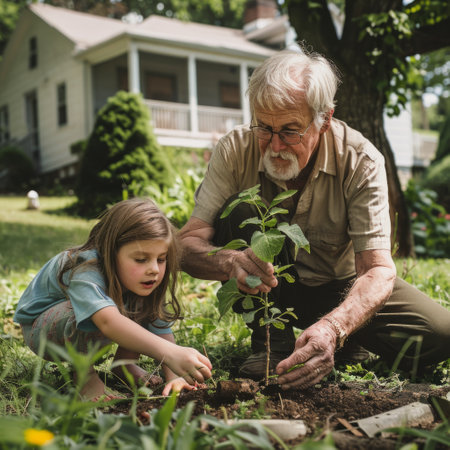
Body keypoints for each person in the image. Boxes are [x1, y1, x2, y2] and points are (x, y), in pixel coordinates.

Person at [179, 49, 450, 390]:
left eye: (291, 130)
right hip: (269, 287)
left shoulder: (361, 159)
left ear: (324, 120)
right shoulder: (234, 149)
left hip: (338, 288)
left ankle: (346, 342)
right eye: (264, 127)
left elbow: (377, 270)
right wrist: (229, 260)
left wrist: (334, 327)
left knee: (440, 333)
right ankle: (270, 346)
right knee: (240, 208)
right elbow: (186, 245)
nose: (275, 145)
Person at [14, 198, 212, 400]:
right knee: (97, 311)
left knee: (140, 301)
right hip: (42, 329)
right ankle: (85, 379)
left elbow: (159, 328)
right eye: (141, 259)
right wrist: (171, 353)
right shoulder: (85, 267)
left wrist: (175, 376)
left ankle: (124, 365)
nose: (154, 269)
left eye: (161, 259)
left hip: (94, 320)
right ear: (111, 251)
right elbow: (107, 322)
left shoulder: (142, 278)